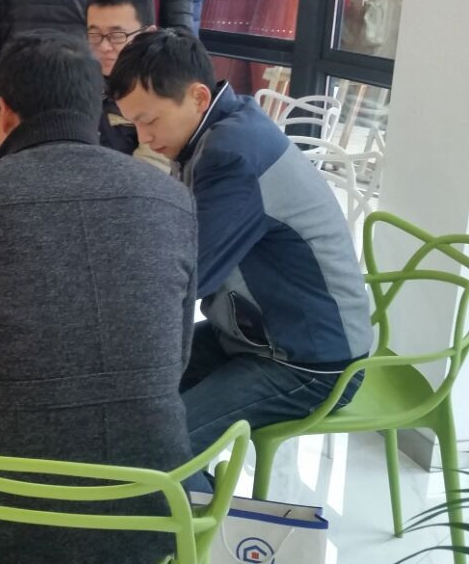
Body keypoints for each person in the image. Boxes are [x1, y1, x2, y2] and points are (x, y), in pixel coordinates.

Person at [0, 31, 197, 564]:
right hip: (154, 506)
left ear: (5, 112)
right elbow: (175, 358)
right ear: (96, 110)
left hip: (7, 509)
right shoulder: (172, 200)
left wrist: (7, 387)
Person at [107, 29, 372, 454]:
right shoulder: (220, 130)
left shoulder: (232, 153)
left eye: (149, 120)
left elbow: (188, 277)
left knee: (159, 443)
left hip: (309, 361)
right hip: (252, 337)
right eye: (133, 123)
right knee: (122, 385)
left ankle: (193, 495)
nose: (144, 138)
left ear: (197, 97)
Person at [85, 0, 153, 156]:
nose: (104, 47)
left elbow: (153, 167)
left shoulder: (160, 91)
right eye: (94, 34)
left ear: (148, 34)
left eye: (117, 36)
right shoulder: (79, 79)